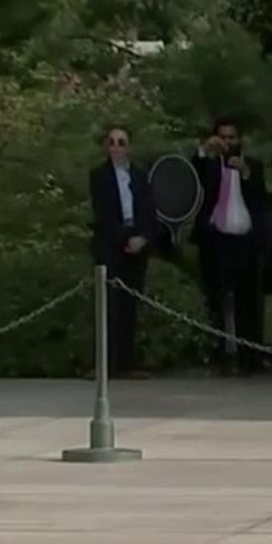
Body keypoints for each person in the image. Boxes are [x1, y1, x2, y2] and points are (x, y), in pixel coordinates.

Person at [190, 117, 269, 374]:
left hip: (245, 241)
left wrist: (244, 173)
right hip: (216, 239)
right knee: (216, 298)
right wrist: (204, 151)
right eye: (222, 137)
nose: (227, 142)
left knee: (249, 301)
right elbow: (193, 176)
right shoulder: (209, 164)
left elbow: (260, 197)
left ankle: (251, 357)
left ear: (239, 140)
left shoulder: (252, 166)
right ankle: (219, 354)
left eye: (231, 137)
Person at [88, 126, 163, 378]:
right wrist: (125, 238)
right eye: (112, 142)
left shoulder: (140, 176)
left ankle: (126, 363)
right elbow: (103, 216)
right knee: (110, 305)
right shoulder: (98, 176)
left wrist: (142, 238)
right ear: (106, 147)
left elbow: (149, 211)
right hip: (112, 245)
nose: (117, 147)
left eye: (121, 142)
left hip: (138, 243)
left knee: (131, 303)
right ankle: (106, 364)